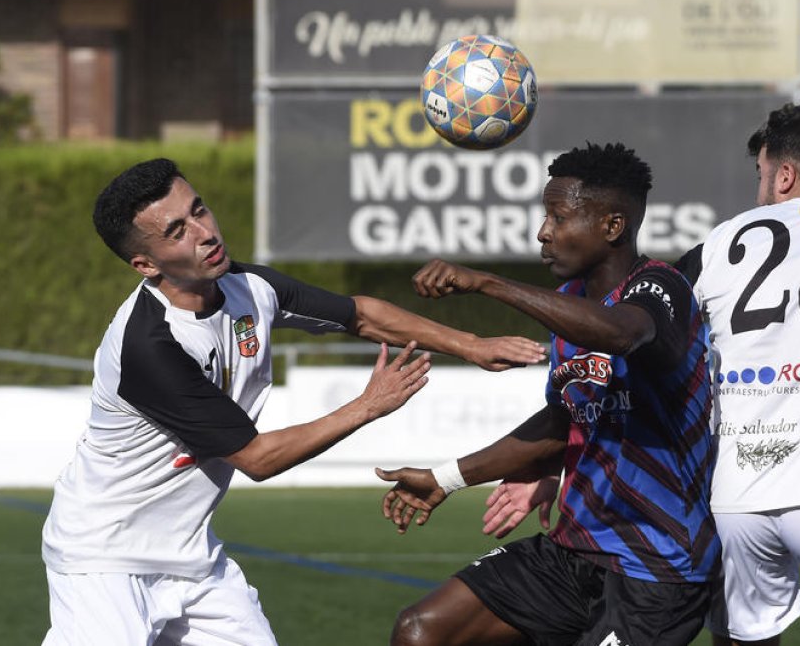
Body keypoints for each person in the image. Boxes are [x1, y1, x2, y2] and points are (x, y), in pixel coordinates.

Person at [480, 105, 800, 645]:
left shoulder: (715, 247)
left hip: (735, 501)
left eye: (761, 174)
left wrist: (555, 461)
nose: (760, 187)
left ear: (785, 175)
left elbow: (630, 362)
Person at [40, 157, 545, 645]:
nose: (205, 232)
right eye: (177, 231)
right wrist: (367, 405)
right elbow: (257, 458)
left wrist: (473, 345)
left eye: (198, 210)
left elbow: (360, 315)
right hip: (103, 562)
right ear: (144, 264)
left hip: (191, 560)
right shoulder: (150, 346)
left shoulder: (248, 287)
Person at [375, 142, 719, 646]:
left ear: (612, 226)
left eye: (558, 217)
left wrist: (488, 283)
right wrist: (445, 479)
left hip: (657, 569)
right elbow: (561, 423)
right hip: (574, 551)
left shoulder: (660, 289)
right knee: (421, 631)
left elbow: (621, 333)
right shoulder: (568, 305)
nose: (543, 232)